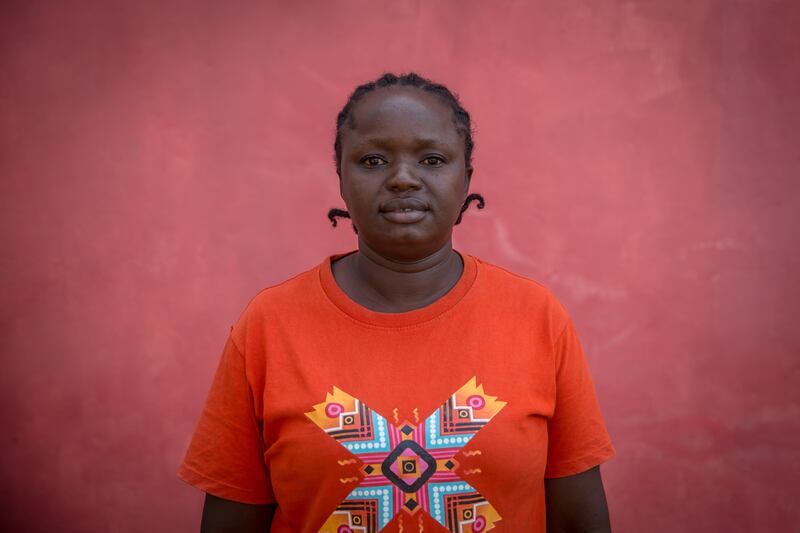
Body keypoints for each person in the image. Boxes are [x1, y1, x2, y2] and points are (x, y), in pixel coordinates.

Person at [179, 73, 615, 533]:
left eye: (432, 159)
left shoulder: (536, 317)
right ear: (341, 179)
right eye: (373, 160)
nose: (403, 178)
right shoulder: (268, 325)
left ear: (465, 179)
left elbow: (578, 519)